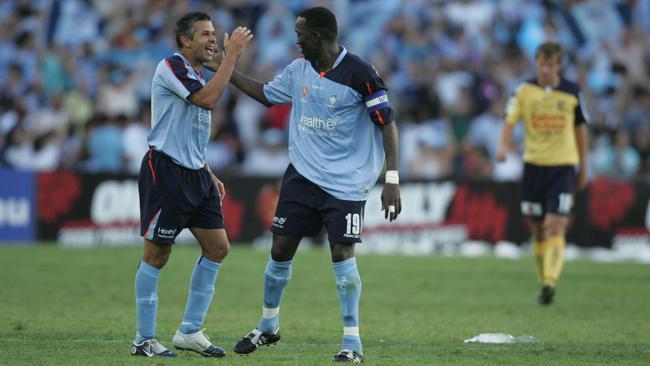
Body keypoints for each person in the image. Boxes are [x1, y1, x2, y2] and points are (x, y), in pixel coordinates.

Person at [227, 6, 401, 363]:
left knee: (341, 254)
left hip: (347, 183)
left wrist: (392, 179)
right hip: (303, 176)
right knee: (280, 250)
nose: (297, 41)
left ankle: (352, 342)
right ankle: (268, 325)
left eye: (301, 35)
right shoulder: (298, 69)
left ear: (317, 37)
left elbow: (387, 124)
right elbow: (266, 94)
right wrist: (226, 69)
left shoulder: (361, 74)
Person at [130, 12, 252, 358]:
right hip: (166, 171)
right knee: (157, 254)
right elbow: (206, 100)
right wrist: (231, 56)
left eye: (214, 33)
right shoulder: (172, 66)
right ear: (185, 41)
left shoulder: (197, 73)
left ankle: (189, 331)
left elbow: (190, 126)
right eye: (205, 34)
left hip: (196, 172)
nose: (213, 39)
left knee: (218, 248)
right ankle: (144, 339)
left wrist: (207, 169)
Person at [496, 42, 589, 306]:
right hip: (534, 167)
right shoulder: (525, 90)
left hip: (562, 168)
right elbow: (509, 119)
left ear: (559, 66)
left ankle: (550, 281)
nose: (546, 69)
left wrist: (585, 166)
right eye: (542, 64)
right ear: (536, 63)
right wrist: (502, 146)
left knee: (555, 224)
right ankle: (543, 282)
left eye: (551, 65)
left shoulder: (571, 92)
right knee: (538, 230)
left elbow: (581, 130)